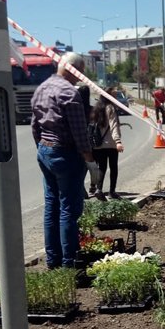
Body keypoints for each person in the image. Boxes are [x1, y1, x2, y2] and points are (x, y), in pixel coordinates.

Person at [31, 52, 101, 270]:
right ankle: (70, 263)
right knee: (69, 210)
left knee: (51, 207)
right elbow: (80, 134)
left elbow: (35, 126)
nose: (81, 77)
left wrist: (44, 150)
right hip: (66, 154)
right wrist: (90, 162)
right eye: (81, 72)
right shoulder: (70, 94)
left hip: (45, 151)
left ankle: (53, 261)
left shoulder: (42, 88)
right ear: (74, 70)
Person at [90, 86, 125, 200]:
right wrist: (118, 141)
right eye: (114, 95)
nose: (116, 96)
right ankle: (112, 191)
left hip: (98, 144)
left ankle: (98, 189)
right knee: (113, 167)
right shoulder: (110, 108)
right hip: (110, 144)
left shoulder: (96, 108)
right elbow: (114, 126)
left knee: (102, 167)